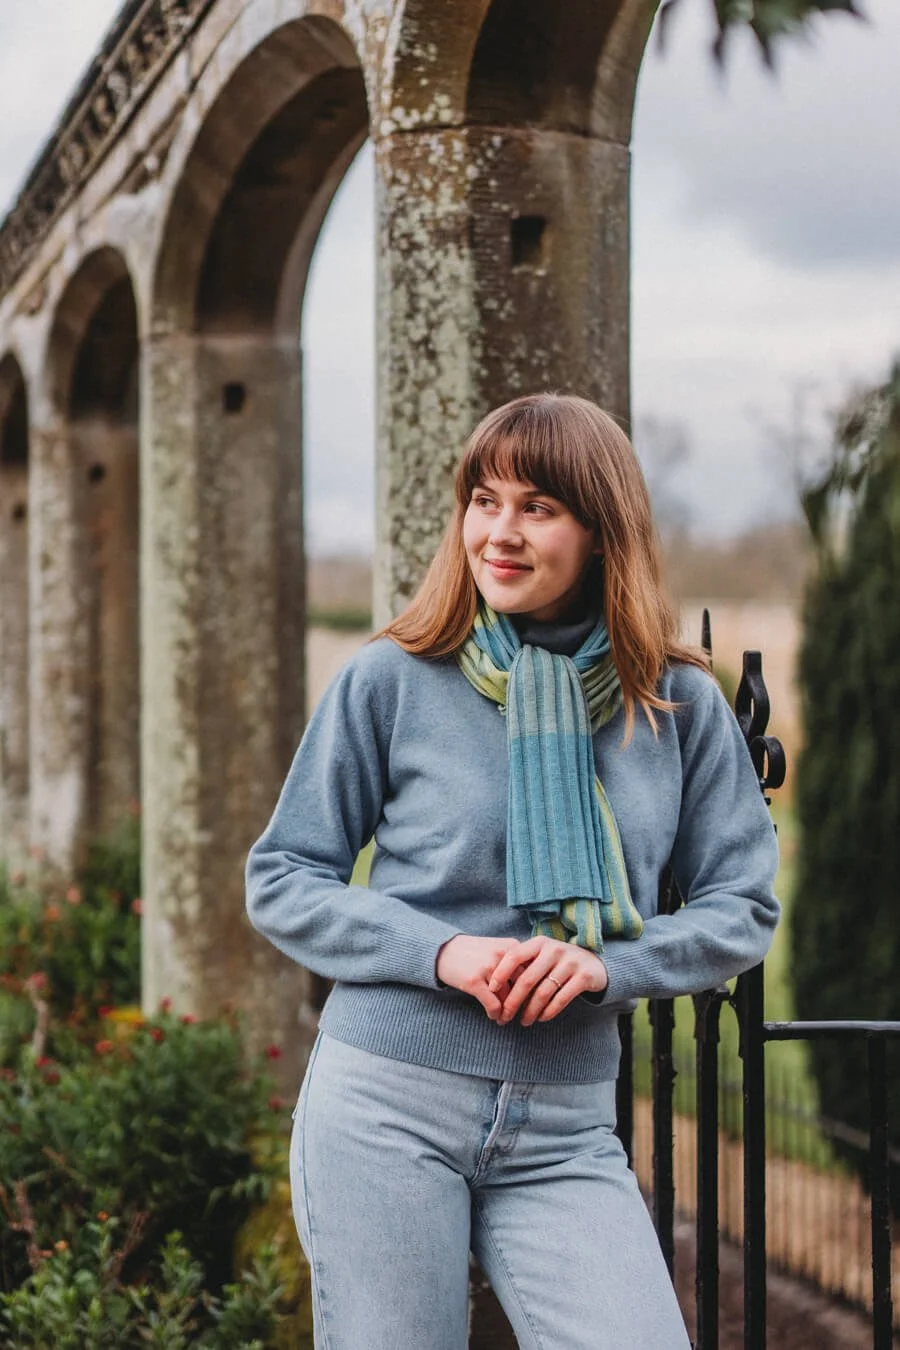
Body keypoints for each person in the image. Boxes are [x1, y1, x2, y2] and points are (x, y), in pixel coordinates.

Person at [245, 392, 780, 1350]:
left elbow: (743, 906)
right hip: (384, 1104)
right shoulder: (395, 678)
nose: (500, 532)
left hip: (567, 1127)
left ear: (601, 530)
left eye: (538, 507)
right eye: (484, 500)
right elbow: (284, 875)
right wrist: (438, 950)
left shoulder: (679, 706)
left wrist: (609, 964)